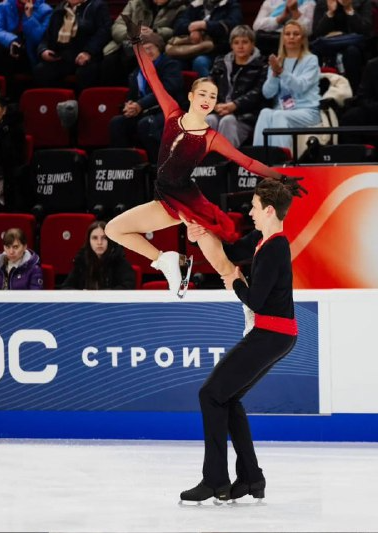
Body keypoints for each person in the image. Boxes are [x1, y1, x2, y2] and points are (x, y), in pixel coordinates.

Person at [105, 15, 304, 298]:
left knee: (224, 267)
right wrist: (137, 43)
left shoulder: (211, 137)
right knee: (114, 229)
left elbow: (246, 162)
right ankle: (166, 260)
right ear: (191, 95)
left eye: (213, 95)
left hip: (189, 202)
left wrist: (281, 176)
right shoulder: (172, 112)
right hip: (164, 199)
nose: (208, 99)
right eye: (203, 93)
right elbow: (152, 76)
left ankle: (251, 309)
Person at [179, 179, 298, 503]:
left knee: (210, 394)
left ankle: (214, 480)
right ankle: (251, 478)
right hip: (276, 334)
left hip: (271, 333)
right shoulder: (262, 240)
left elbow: (256, 301)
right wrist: (202, 233)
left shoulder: (276, 247)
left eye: (255, 207)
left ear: (270, 210)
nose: (251, 212)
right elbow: (230, 251)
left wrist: (234, 282)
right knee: (226, 399)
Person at [108, 31, 183, 162]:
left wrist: (140, 105)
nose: (147, 53)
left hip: (168, 112)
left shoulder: (170, 65)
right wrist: (128, 106)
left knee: (146, 124)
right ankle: (125, 166)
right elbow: (131, 96)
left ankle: (159, 167)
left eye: (150, 48)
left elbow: (165, 91)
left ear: (158, 48)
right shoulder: (137, 72)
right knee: (117, 122)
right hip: (145, 111)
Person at [251, 19, 321, 152]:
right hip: (283, 109)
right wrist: (274, 75)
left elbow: (300, 86)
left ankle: (281, 159)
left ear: (303, 39)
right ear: (283, 38)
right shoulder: (278, 61)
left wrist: (282, 72)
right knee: (265, 112)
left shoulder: (311, 60)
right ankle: (258, 158)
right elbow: (267, 93)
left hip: (307, 110)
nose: (291, 37)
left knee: (278, 116)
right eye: (287, 34)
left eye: (296, 34)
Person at [206, 25, 269, 148]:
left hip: (245, 116)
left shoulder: (262, 66)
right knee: (209, 120)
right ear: (231, 45)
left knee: (227, 121)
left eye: (245, 42)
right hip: (220, 111)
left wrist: (235, 105)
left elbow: (258, 93)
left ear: (252, 44)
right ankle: (205, 163)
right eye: (236, 43)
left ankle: (227, 162)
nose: (240, 46)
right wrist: (215, 104)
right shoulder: (220, 64)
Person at [101, 0, 186, 86]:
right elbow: (117, 26)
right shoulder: (135, 3)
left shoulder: (179, 8)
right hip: (128, 43)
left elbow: (177, 31)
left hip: (158, 47)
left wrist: (154, 33)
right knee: (110, 61)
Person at [33, 0, 112, 93]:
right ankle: (54, 104)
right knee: (41, 70)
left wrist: (88, 52)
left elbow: (104, 32)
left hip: (88, 56)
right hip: (62, 56)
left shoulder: (97, 6)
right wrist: (43, 50)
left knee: (86, 73)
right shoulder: (59, 10)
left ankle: (82, 105)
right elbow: (47, 37)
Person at [309, 0, 373, 91]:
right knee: (314, 52)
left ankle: (354, 92)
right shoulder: (322, 3)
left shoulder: (363, 2)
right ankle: (317, 91)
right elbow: (317, 32)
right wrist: (330, 13)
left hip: (353, 44)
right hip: (328, 44)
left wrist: (349, 9)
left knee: (352, 52)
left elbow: (365, 30)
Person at [171, 0, 242, 77]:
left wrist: (205, 25)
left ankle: (209, 88)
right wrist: (191, 28)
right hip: (191, 49)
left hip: (216, 50)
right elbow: (178, 25)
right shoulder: (196, 4)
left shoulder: (231, 4)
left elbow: (233, 25)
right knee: (171, 62)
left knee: (200, 62)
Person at [0, 0, 52, 80]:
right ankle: (0, 88)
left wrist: (30, 18)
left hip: (30, 53)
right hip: (8, 49)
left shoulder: (46, 10)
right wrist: (11, 41)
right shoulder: (4, 6)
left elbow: (39, 39)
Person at [61, 220, 136, 290]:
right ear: (88, 241)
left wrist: (102, 295)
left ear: (109, 241)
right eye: (95, 238)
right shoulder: (82, 260)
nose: (99, 242)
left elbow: (128, 286)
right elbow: (66, 287)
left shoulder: (118, 260)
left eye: (104, 238)